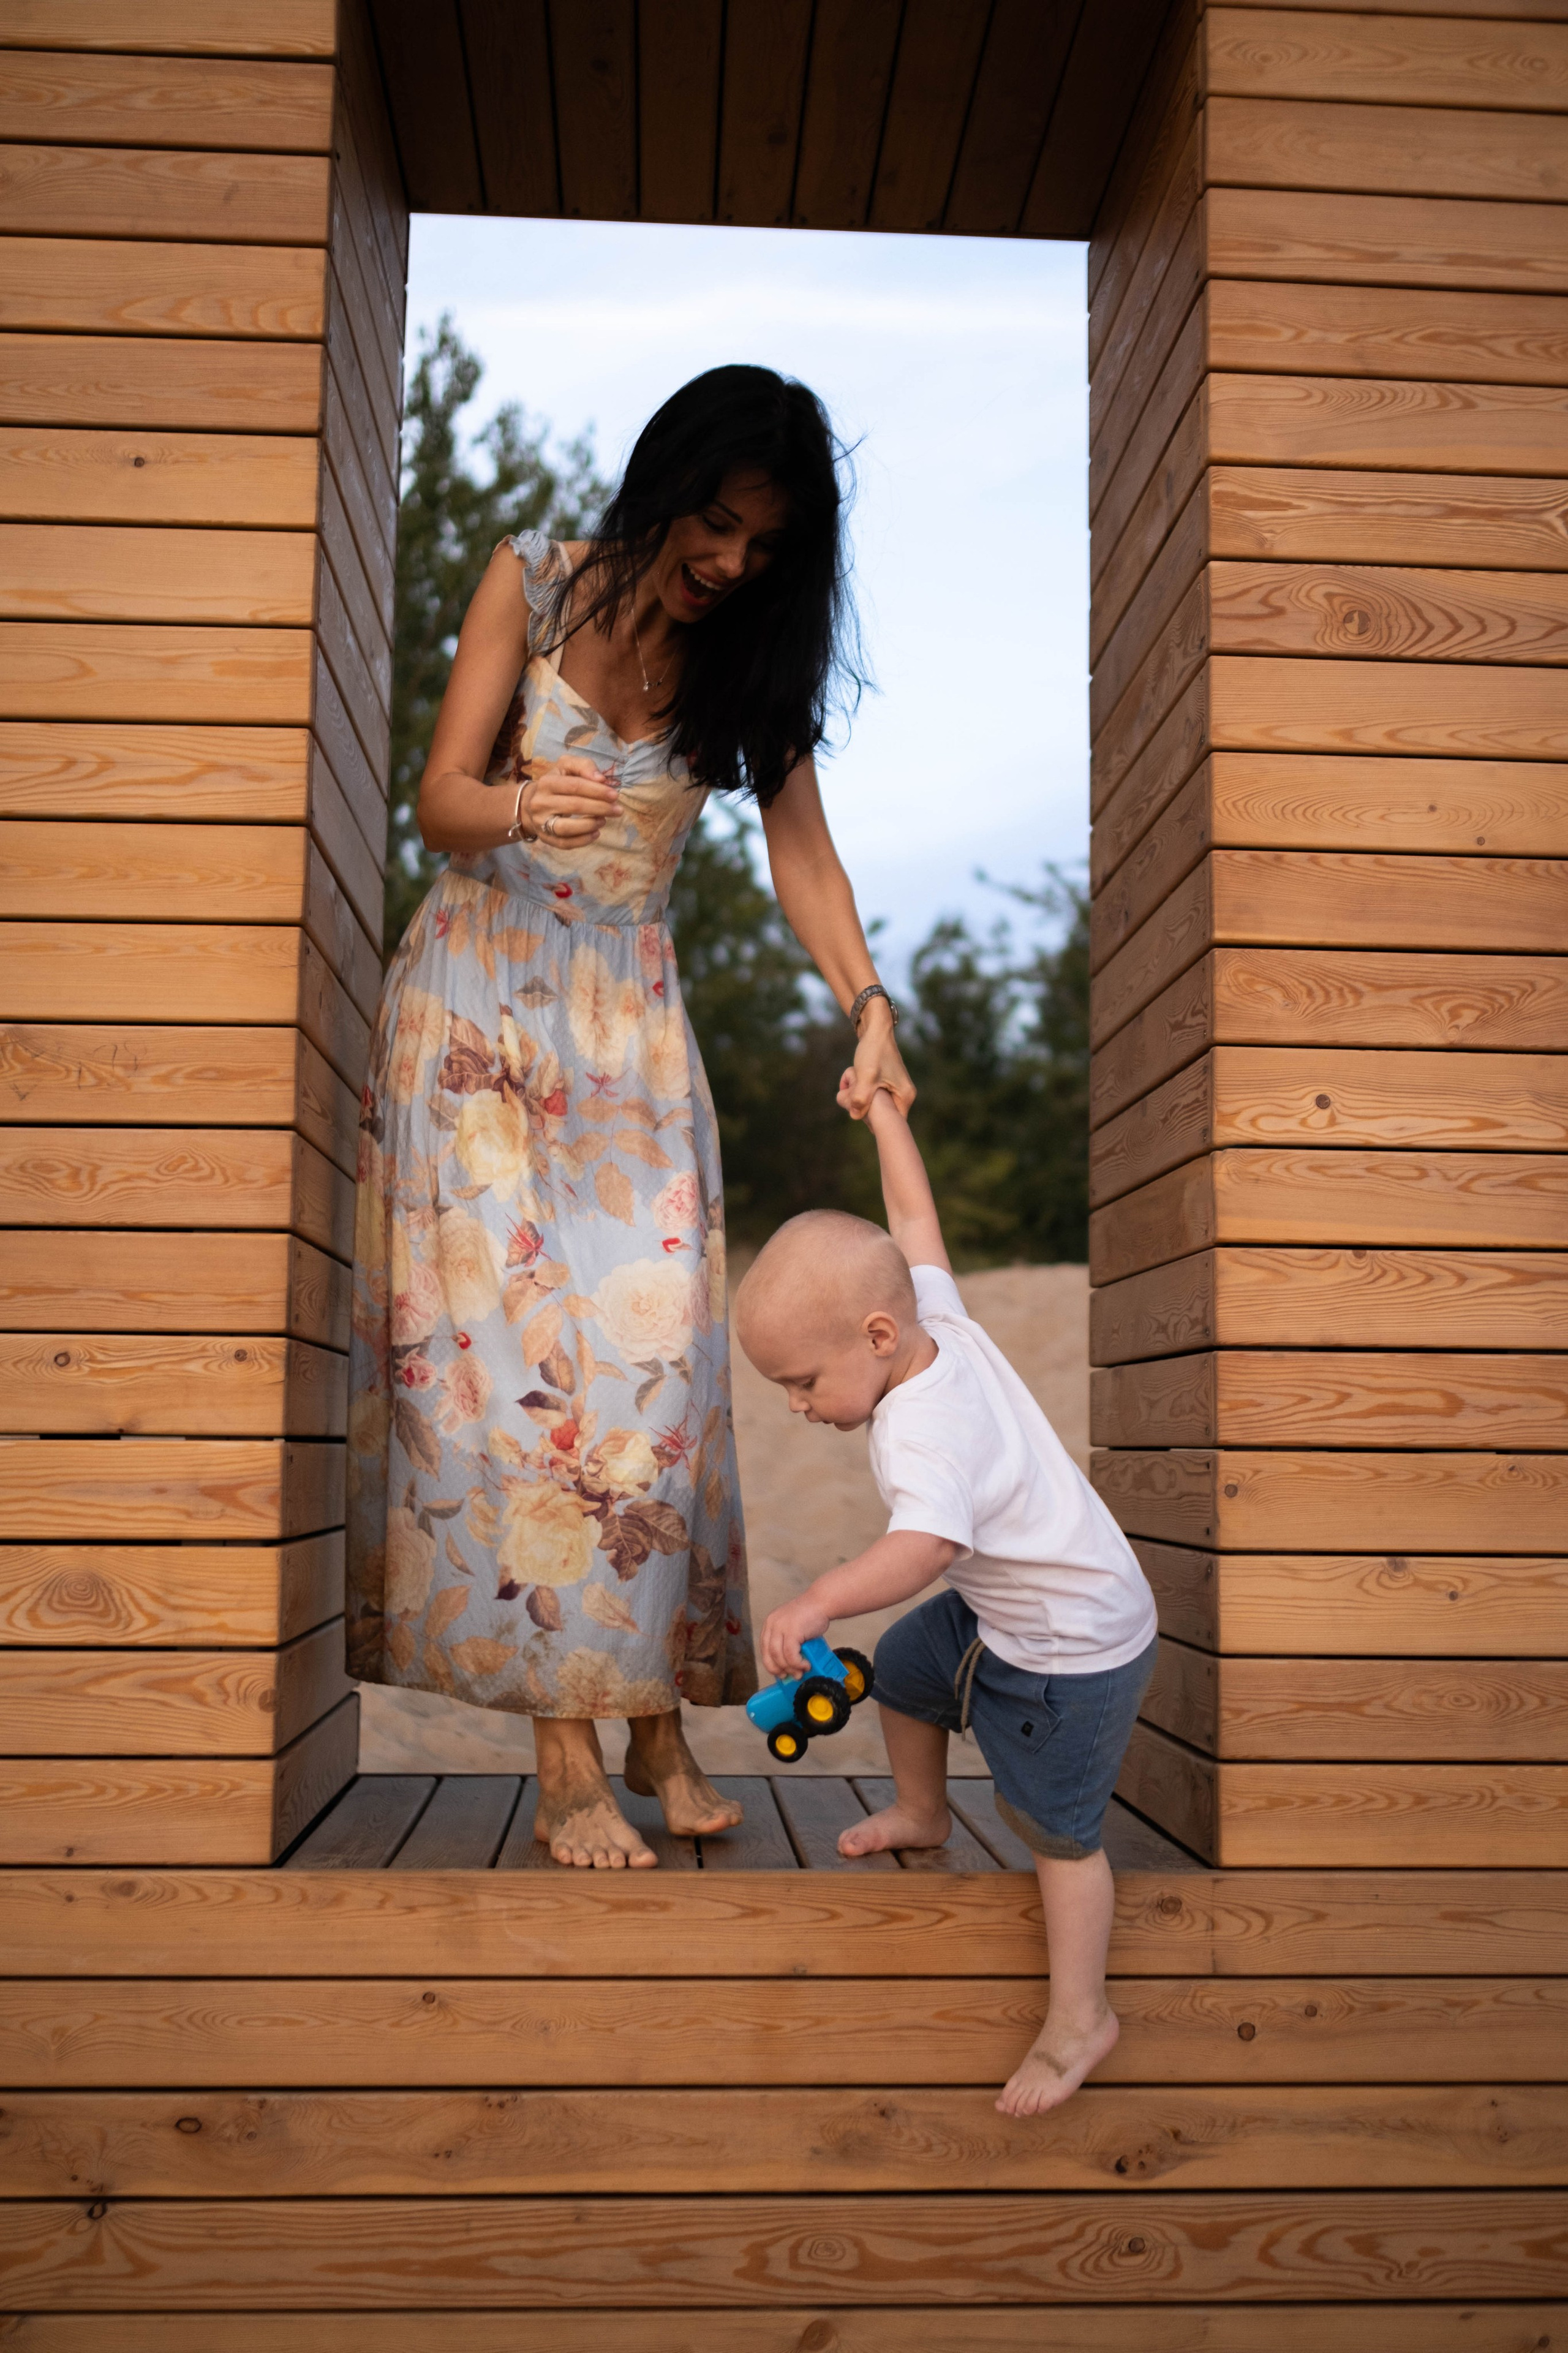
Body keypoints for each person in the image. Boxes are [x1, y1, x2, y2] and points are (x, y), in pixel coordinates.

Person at [348, 366, 913, 1871]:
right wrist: (526, 803)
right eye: (715, 524)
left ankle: (651, 1694)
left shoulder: (745, 664)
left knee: (653, 1388)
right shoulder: (532, 584)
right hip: (474, 1018)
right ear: (665, 484)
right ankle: (568, 1753)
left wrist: (869, 1001)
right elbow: (441, 798)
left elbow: (807, 864)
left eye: (762, 546)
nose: (729, 561)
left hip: (626, 1042)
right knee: (520, 1380)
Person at [734, 1080, 1158, 2115]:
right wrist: (887, 1118)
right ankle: (923, 1812)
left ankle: (1078, 2017)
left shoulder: (923, 1426)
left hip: (1072, 1642)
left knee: (1055, 1829)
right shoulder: (938, 1321)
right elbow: (914, 1218)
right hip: (1015, 1596)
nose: (795, 1407)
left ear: (877, 1337)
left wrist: (821, 1597)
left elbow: (924, 1546)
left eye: (801, 1382)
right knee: (914, 1675)